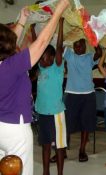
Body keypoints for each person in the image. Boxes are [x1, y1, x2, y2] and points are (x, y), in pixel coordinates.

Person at [0, 1, 70, 175]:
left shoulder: (5, 64)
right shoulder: (12, 66)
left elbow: (7, 42)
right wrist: (58, 12)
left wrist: (23, 19)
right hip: (15, 129)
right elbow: (43, 41)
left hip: (1, 127)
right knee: (21, 170)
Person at [57, 25, 102, 161]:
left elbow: (99, 52)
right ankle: (62, 151)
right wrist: (61, 25)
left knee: (86, 124)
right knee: (67, 124)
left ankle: (82, 150)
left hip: (88, 95)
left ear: (85, 45)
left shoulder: (89, 57)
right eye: (76, 46)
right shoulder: (70, 55)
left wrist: (92, 35)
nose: (78, 48)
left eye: (80, 45)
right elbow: (59, 47)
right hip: (71, 94)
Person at [31, 17, 67, 175]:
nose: (41, 60)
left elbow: (58, 46)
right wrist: (32, 31)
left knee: (59, 146)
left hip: (56, 114)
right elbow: (36, 46)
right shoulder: (41, 66)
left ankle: (60, 173)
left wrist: (60, 24)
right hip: (43, 113)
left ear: (52, 58)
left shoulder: (57, 67)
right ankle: (46, 172)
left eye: (44, 57)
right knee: (45, 145)